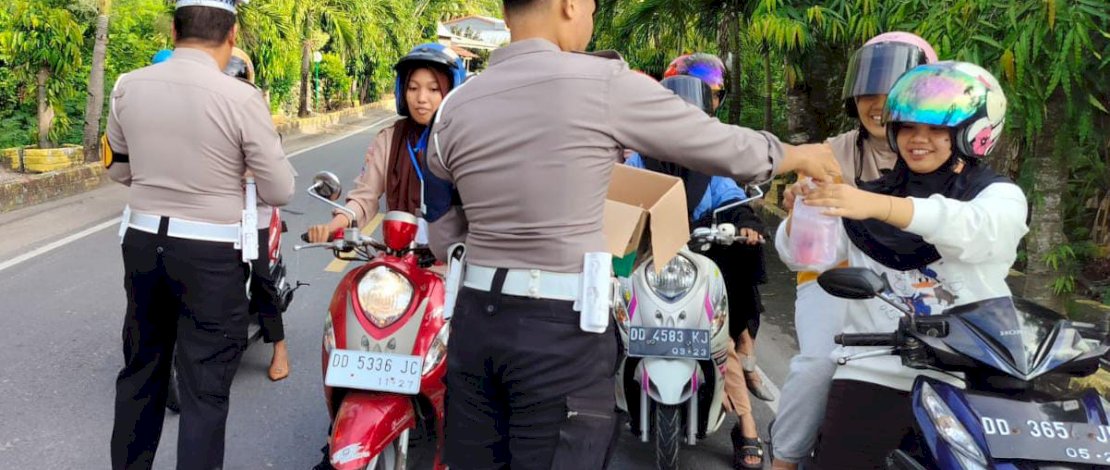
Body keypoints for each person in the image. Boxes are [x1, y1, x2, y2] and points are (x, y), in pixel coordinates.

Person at [424, 0, 839, 468]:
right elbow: (713, 142)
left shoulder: (455, 105)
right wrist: (795, 153)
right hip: (559, 331)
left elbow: (441, 217)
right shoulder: (601, 84)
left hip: (474, 325)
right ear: (570, 5)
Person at [775, 61, 1026, 469]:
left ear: (971, 134)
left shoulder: (997, 196)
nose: (918, 140)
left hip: (969, 374)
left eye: (936, 129)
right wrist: (804, 210)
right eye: (909, 127)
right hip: (873, 372)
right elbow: (802, 257)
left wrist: (878, 206)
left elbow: (977, 232)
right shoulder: (864, 196)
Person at [105, 1, 296, 468]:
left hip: (144, 244)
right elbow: (280, 189)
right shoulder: (241, 98)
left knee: (141, 371)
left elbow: (118, 171)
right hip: (211, 253)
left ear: (174, 29)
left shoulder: (128, 86)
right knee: (204, 388)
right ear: (232, 35)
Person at [769, 31, 938, 469]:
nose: (878, 103)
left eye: (893, 91)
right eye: (869, 91)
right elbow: (801, 253)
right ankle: (784, 460)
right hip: (838, 283)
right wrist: (802, 211)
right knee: (818, 367)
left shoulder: (939, 153)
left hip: (919, 290)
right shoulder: (831, 155)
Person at [625, 74, 768, 469]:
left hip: (701, 260)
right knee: (610, 314)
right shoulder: (640, 158)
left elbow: (735, 203)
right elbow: (620, 197)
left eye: (691, 117)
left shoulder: (713, 167)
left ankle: (747, 426)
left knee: (713, 338)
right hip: (649, 259)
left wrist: (746, 224)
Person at [663, 52, 777, 404]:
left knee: (743, 250)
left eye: (710, 96)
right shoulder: (643, 147)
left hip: (703, 245)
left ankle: (743, 341)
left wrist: (746, 223)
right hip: (657, 244)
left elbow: (732, 195)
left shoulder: (717, 150)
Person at [307, 43, 464, 243]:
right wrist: (332, 227)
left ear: (451, 92)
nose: (421, 98)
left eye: (434, 89)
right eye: (413, 88)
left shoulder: (462, 141)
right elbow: (364, 196)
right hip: (399, 257)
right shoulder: (390, 138)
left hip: (451, 263)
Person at [222, 46, 294, 381]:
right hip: (218, 212)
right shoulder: (208, 116)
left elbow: (278, 174)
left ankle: (279, 347)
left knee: (261, 277)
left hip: (255, 213)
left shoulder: (259, 119)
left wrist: (253, 175)